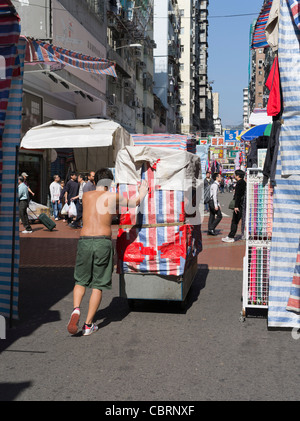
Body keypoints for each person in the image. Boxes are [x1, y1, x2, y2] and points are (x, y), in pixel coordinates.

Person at [67, 168, 149, 336]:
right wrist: (142, 191)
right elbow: (134, 202)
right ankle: (88, 325)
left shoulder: (86, 196)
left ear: (95, 181)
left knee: (80, 280)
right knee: (98, 284)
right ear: (110, 183)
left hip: (84, 241)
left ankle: (76, 309)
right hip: (102, 241)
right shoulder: (112, 197)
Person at [222, 169, 246, 243]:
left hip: (239, 205)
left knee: (234, 221)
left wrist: (236, 206)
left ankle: (231, 236)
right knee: (240, 221)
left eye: (235, 174)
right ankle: (240, 235)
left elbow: (238, 195)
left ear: (238, 176)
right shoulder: (243, 182)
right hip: (242, 205)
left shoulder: (239, 183)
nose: (234, 176)